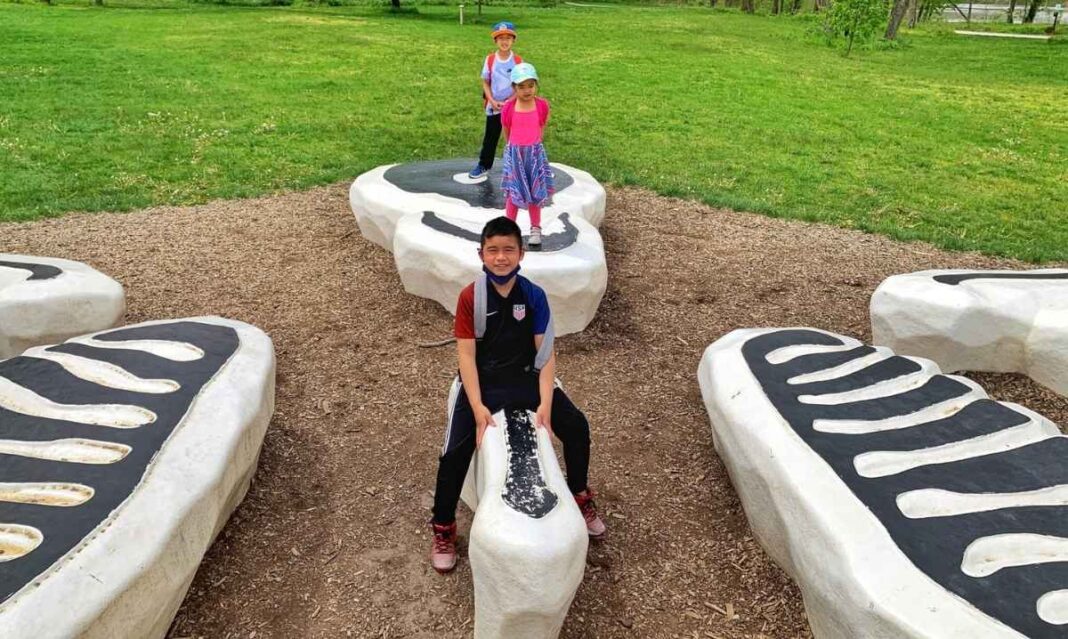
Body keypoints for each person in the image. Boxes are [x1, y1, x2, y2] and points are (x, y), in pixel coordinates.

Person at [429, 216, 606, 574]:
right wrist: (477, 407)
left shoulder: (534, 295)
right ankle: (443, 527)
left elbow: (545, 354)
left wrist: (544, 404)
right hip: (484, 381)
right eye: (492, 250)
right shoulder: (471, 297)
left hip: (525, 378)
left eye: (508, 249)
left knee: (576, 426)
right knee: (454, 453)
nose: (500, 257)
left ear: (521, 253)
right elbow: (466, 356)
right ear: (481, 253)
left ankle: (580, 493)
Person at [500, 62, 553, 247]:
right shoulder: (508, 108)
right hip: (516, 155)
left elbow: (541, 126)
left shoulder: (541, 106)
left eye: (530, 85)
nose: (527, 90)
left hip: (534, 154)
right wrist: (513, 149)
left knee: (535, 190)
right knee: (513, 193)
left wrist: (534, 148)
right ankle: (509, 229)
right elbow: (507, 130)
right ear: (514, 87)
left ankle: (535, 228)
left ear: (536, 85)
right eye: (521, 86)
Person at [468, 21, 522, 183]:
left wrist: (509, 101)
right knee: (490, 137)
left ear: (513, 40)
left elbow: (520, 84)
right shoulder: (490, 59)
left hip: (512, 106)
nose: (504, 41)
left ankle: (517, 168)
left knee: (515, 138)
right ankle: (484, 165)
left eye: (508, 38)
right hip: (493, 107)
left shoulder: (518, 61)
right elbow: (485, 82)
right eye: (500, 38)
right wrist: (491, 100)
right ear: (495, 41)